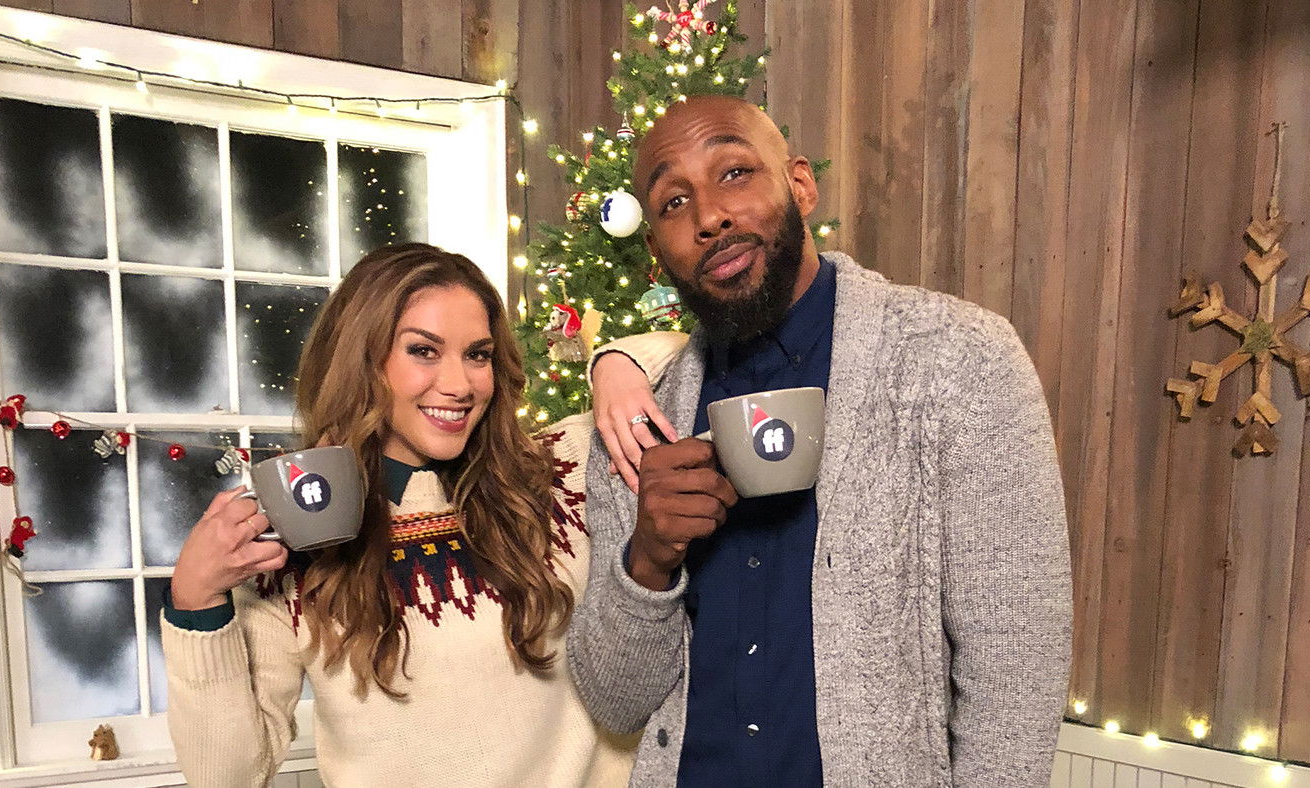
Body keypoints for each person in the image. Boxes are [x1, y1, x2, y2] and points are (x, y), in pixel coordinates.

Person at [569, 95, 1073, 786]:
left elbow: (1016, 667)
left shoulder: (958, 360)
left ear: (800, 185)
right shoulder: (637, 426)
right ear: (657, 250)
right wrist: (649, 560)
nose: (710, 215)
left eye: (735, 172)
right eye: (674, 203)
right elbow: (616, 702)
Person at [162, 243, 686, 786]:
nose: (460, 385)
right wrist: (195, 602)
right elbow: (228, 776)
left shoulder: (561, 472)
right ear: (361, 361)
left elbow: (690, 350)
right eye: (424, 351)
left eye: (477, 355)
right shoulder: (294, 533)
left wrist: (615, 367)